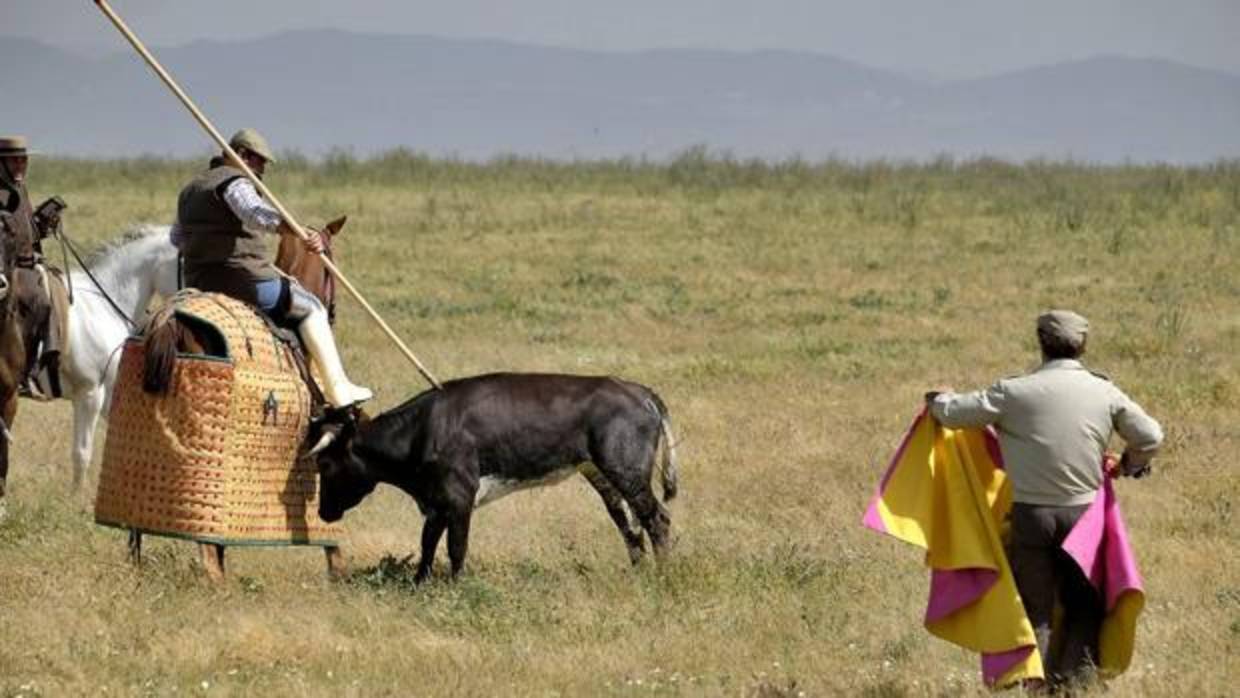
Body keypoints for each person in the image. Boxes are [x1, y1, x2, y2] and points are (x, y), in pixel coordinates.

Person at [925, 310, 1163, 689]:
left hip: (1031, 517)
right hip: (1085, 519)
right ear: (1083, 346)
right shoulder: (1103, 391)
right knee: (1085, 609)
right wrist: (1130, 464)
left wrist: (939, 399)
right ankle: (1072, 686)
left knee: (1035, 610)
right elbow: (1151, 435)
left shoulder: (1014, 391)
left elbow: (954, 415)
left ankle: (1035, 688)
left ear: (1041, 342)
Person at [171, 128, 372, 407]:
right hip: (245, 281)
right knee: (313, 307)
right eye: (260, 160)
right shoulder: (235, 182)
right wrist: (294, 228)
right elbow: (255, 214)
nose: (263, 168)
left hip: (198, 285)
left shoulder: (191, 189)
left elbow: (177, 238)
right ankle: (339, 391)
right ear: (241, 155)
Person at [0, 135, 69, 400]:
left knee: (52, 287)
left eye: (23, 159)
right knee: (40, 301)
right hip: (10, 269)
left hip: (30, 263)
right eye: (14, 160)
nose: (20, 165)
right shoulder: (3, 192)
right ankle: (31, 371)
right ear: (2, 164)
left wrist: (41, 223)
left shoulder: (17, 187)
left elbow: (25, 230)